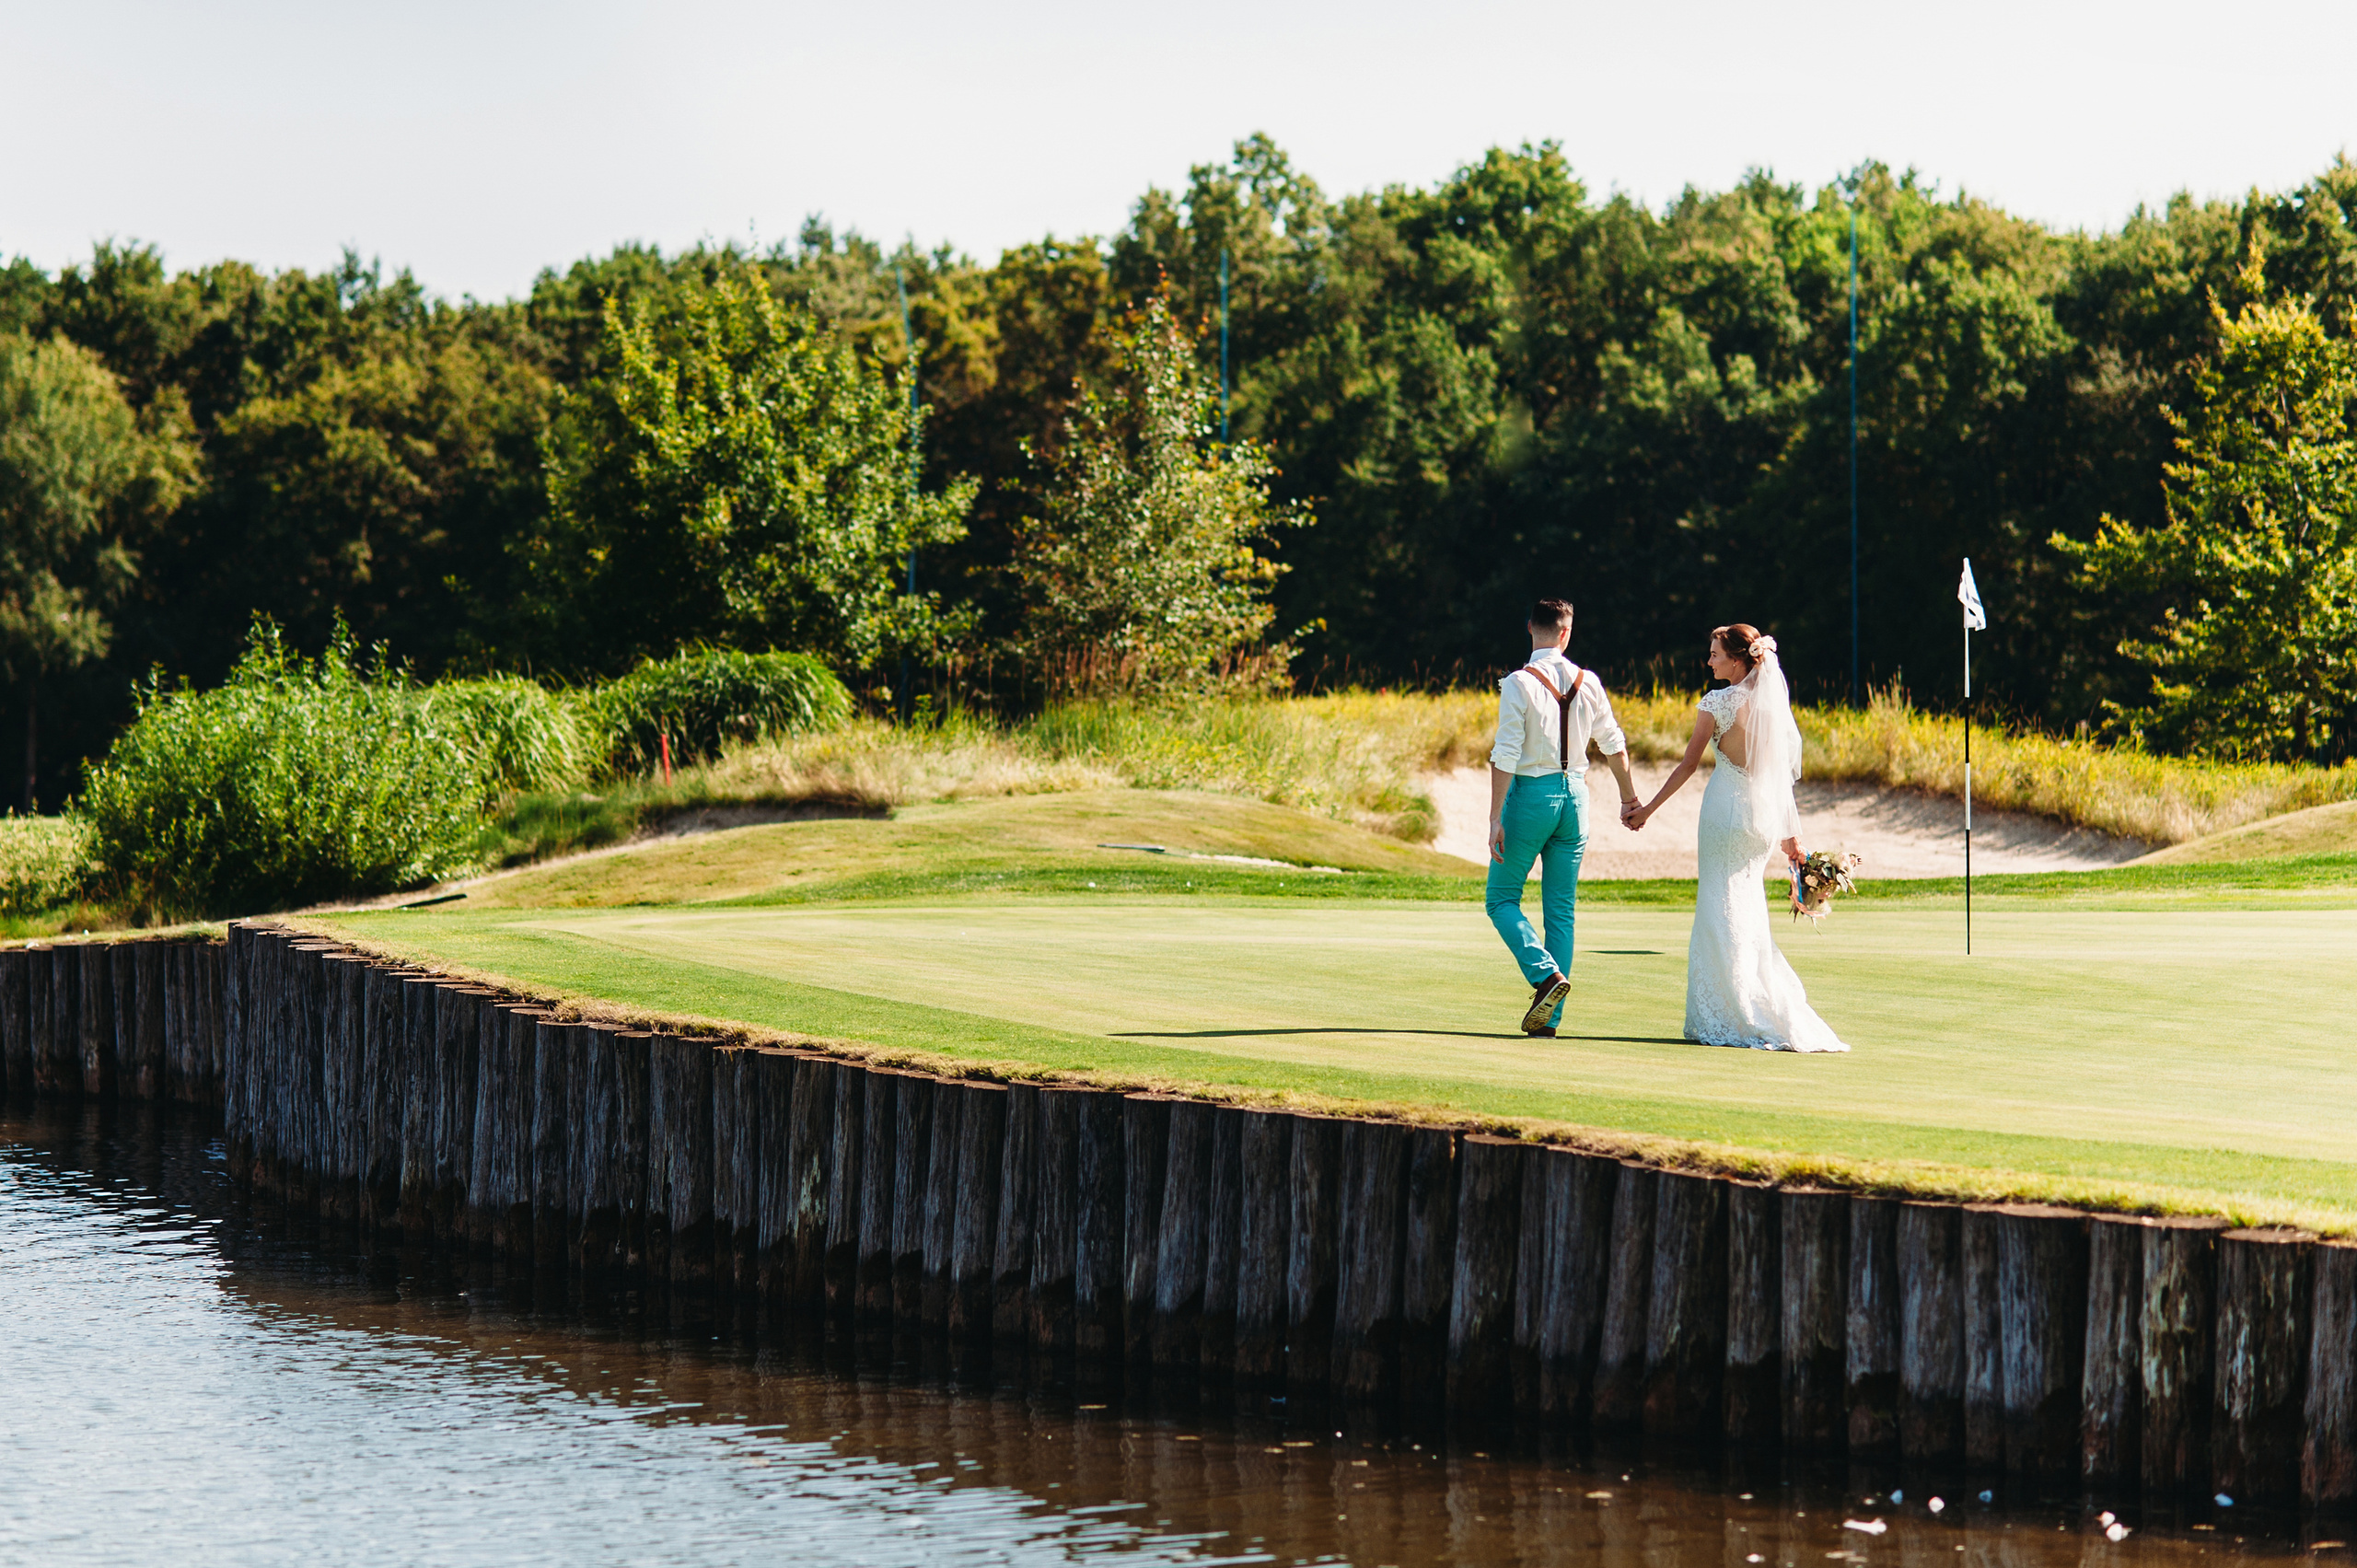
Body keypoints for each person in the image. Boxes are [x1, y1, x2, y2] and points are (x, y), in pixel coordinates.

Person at [1624, 624, 1848, 1052]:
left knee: (1718, 903)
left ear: (1738, 658)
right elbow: (1780, 779)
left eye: (1715, 654)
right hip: (1761, 821)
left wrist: (1647, 810)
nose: (1709, 661)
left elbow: (1688, 765)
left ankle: (1735, 1012)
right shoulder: (1771, 707)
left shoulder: (1718, 702)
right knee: (1745, 905)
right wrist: (1791, 836)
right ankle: (1753, 1002)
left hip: (1725, 813)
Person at [1486, 598, 1639, 1037]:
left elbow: (1506, 754)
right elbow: (1614, 744)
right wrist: (1629, 800)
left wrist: (1495, 817)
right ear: (1567, 633)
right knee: (1561, 911)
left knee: (1500, 899)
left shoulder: (1519, 682)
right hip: (1577, 799)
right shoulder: (1589, 681)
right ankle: (1548, 1020)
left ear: (1530, 627)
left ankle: (1545, 975)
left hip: (1532, 797)